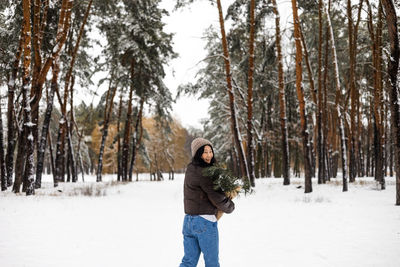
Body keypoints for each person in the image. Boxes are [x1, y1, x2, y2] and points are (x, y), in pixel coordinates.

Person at [179, 137, 235, 267]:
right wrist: (230, 206)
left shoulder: (191, 168)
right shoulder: (205, 172)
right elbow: (216, 196)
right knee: (212, 263)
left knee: (188, 262)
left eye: (210, 151)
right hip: (204, 223)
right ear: (198, 154)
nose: (209, 155)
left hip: (188, 222)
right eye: (205, 152)